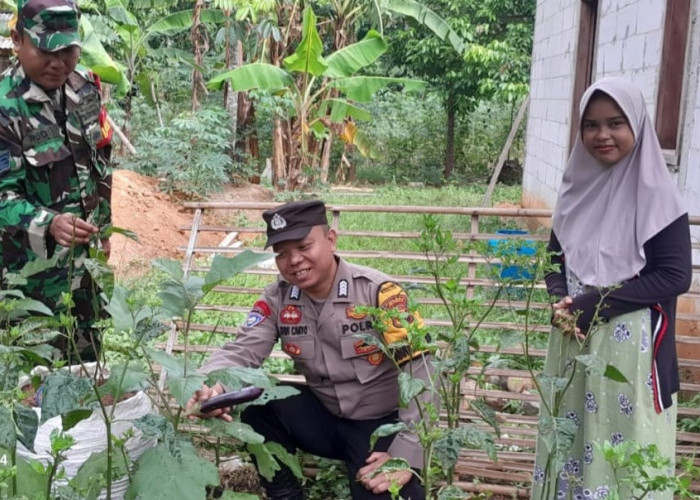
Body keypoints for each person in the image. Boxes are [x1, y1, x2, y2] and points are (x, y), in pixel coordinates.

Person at [187, 200, 429, 500]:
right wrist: (210, 386)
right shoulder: (279, 298)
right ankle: (285, 493)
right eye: (282, 254)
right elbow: (243, 349)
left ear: (331, 240)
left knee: (387, 492)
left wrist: (405, 452)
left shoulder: (378, 292)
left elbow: (422, 370)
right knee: (255, 402)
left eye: (303, 246)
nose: (294, 260)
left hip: (381, 426)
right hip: (325, 418)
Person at [531, 77, 692, 499]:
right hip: (573, 346)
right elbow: (555, 261)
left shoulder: (659, 198)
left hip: (632, 360)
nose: (602, 135)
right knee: (569, 448)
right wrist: (559, 300)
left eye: (616, 123)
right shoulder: (573, 193)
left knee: (624, 461)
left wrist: (596, 304)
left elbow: (675, 277)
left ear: (637, 126)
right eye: (591, 125)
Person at [0, 0, 113, 362]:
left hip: (86, 272)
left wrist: (106, 229)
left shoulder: (84, 91)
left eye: (68, 50)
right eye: (47, 49)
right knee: (36, 380)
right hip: (30, 278)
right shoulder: (6, 108)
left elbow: (101, 166)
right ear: (18, 41)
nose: (59, 62)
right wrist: (49, 223)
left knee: (90, 369)